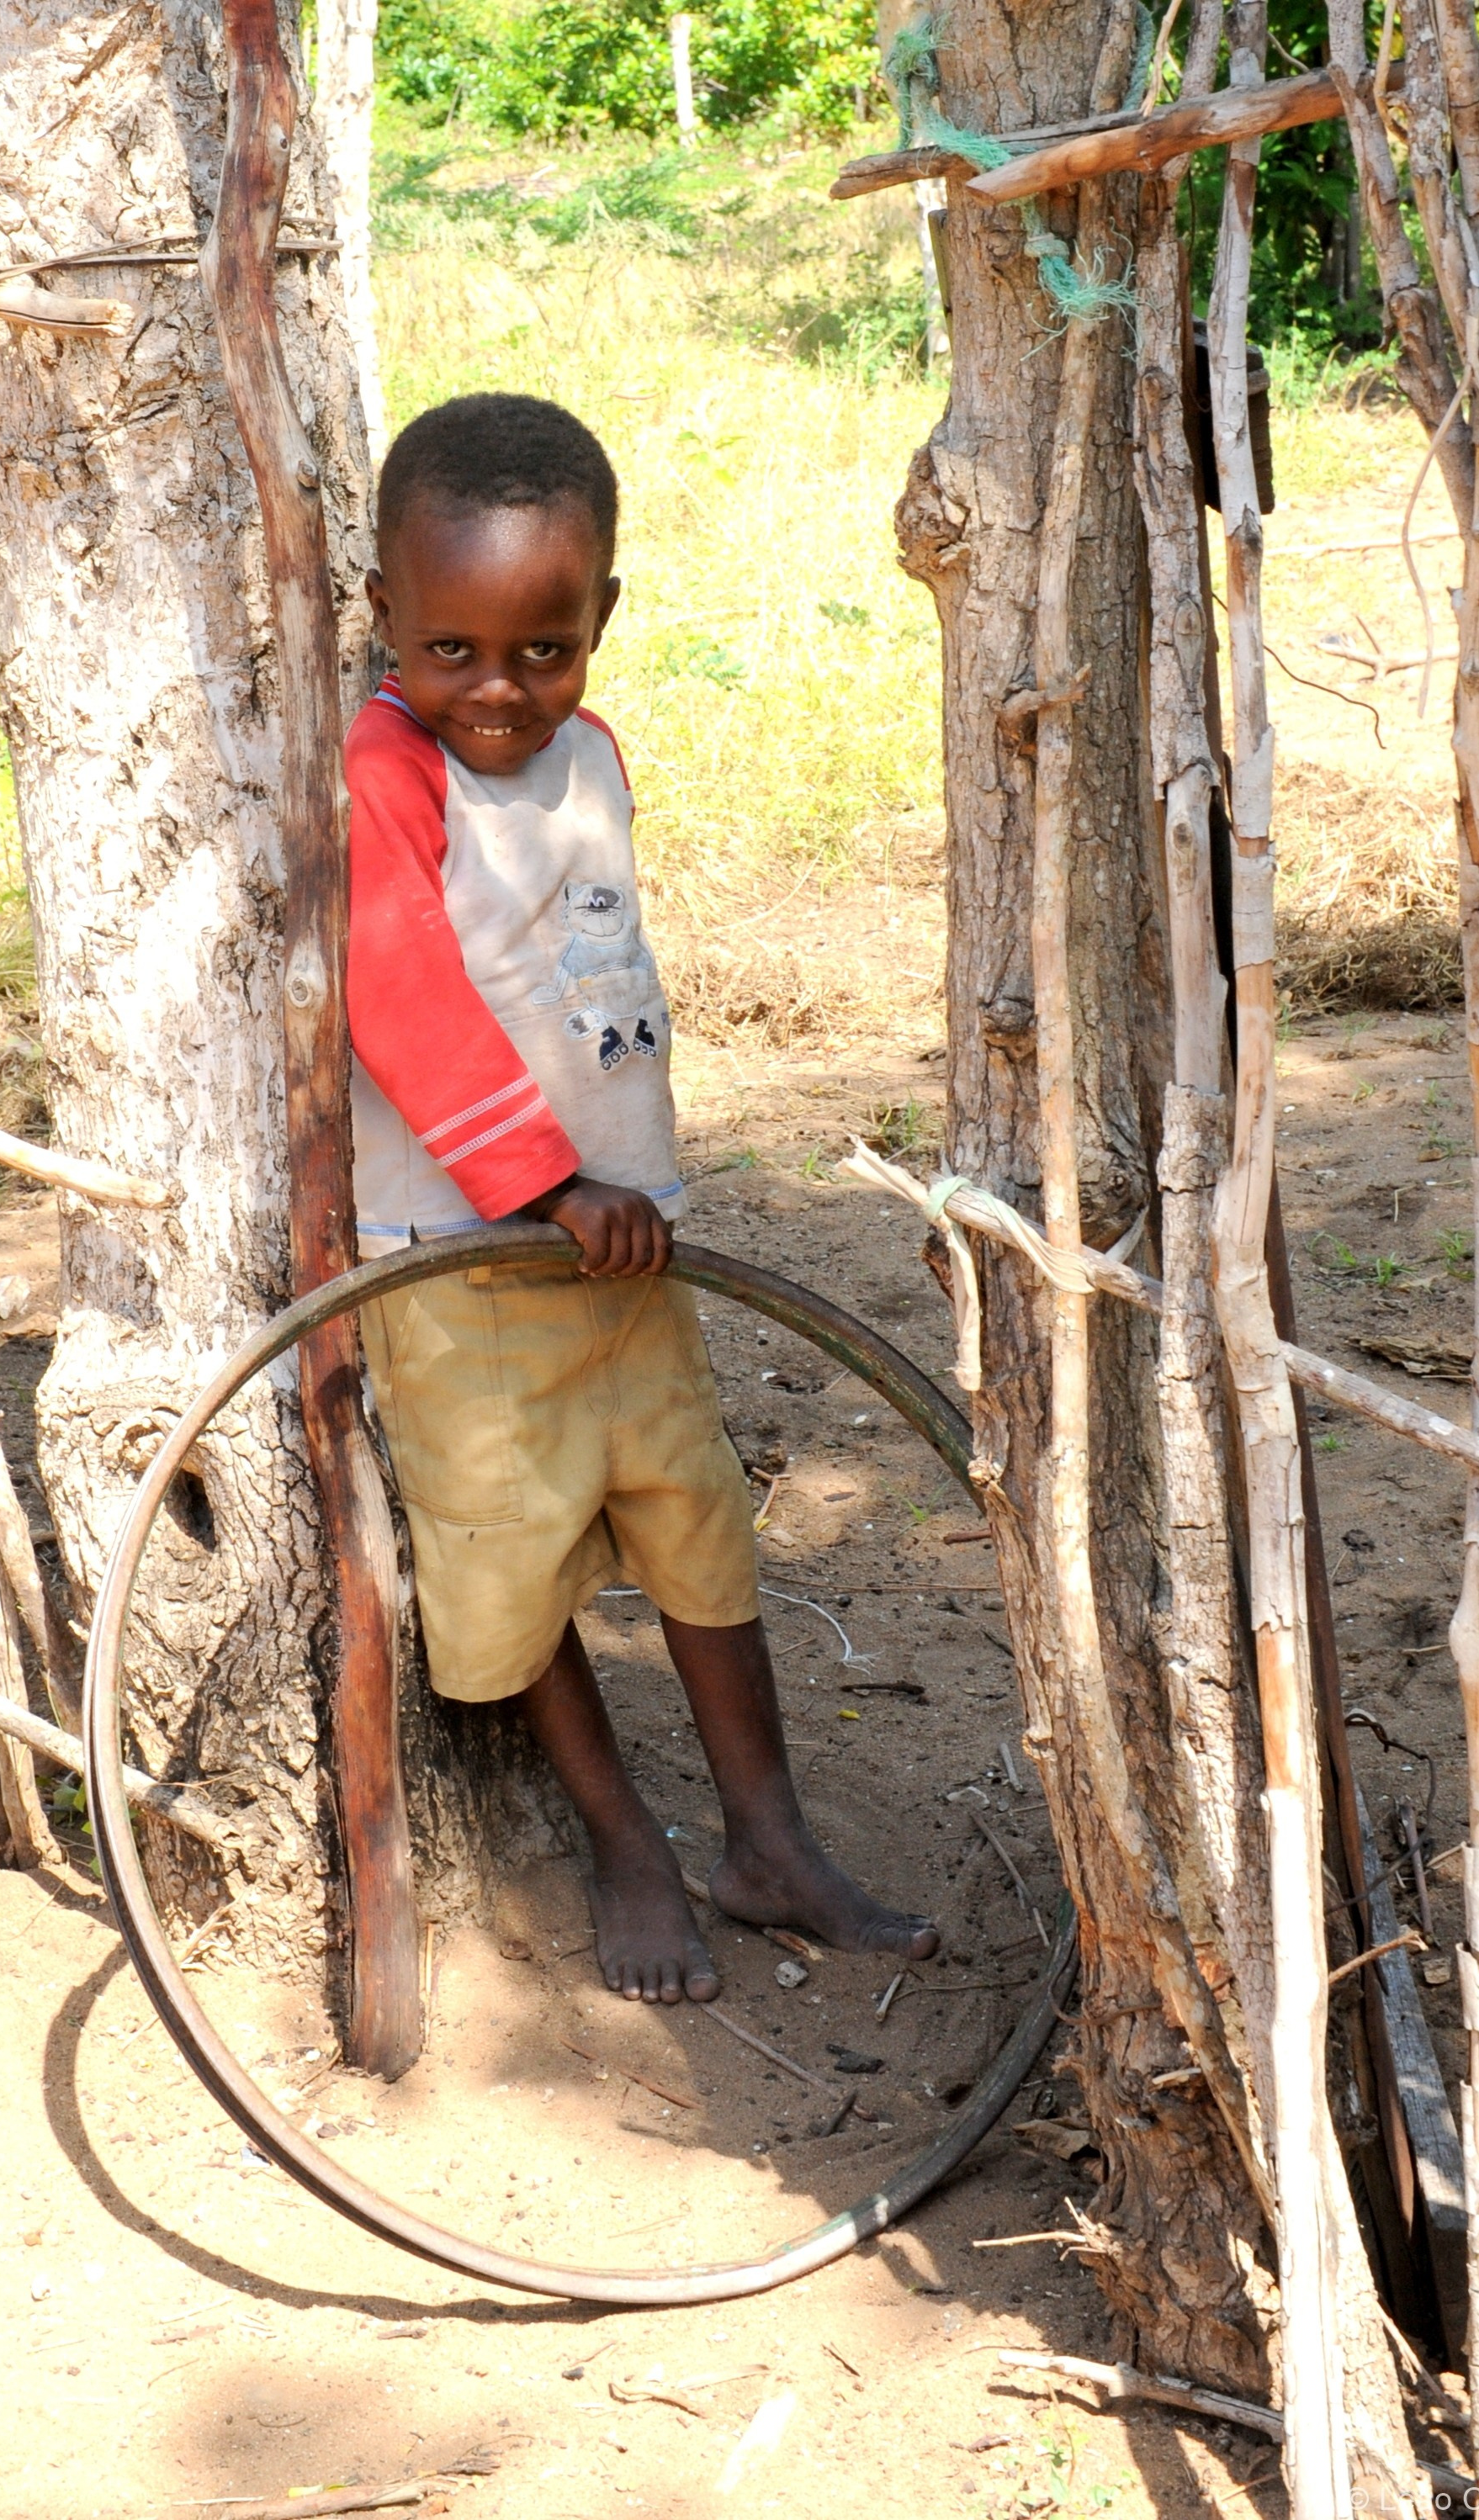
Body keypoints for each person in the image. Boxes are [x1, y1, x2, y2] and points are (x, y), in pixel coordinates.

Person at [347, 391, 939, 2005]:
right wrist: (545, 1182)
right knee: (511, 1554)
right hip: (461, 1263)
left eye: (543, 649)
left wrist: (607, 1187)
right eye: (451, 648)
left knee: (697, 1528)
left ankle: (769, 1841)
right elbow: (397, 992)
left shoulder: (592, 753)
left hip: (623, 1247)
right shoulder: (381, 769)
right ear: (383, 611)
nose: (498, 688)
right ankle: (624, 1843)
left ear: (601, 615)